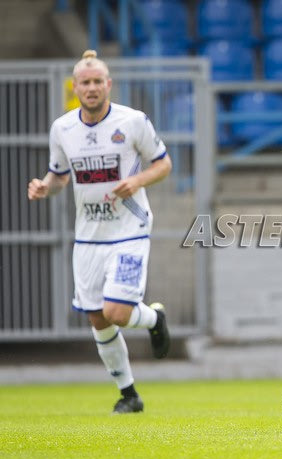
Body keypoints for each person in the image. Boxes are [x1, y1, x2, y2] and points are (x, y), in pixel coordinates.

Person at [28, 50, 172, 413]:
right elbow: (60, 176)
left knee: (117, 312)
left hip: (130, 229)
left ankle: (153, 319)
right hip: (89, 236)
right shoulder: (63, 128)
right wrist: (45, 187)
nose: (91, 88)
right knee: (97, 317)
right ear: (75, 87)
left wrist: (136, 181)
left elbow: (163, 164)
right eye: (85, 82)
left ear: (108, 84)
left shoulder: (133, 121)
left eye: (97, 82)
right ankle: (129, 394)